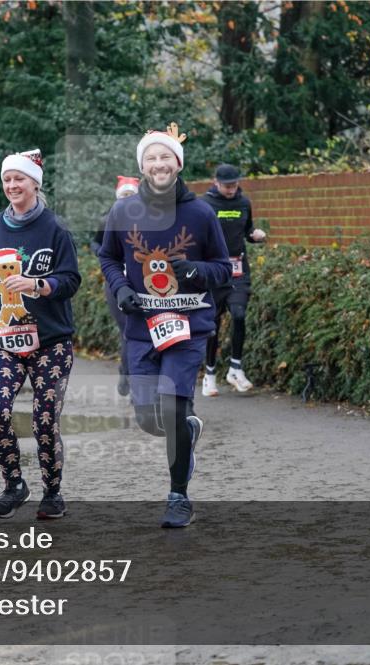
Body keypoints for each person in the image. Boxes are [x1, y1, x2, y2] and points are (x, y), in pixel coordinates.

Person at [99, 123, 231, 528]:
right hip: (142, 329)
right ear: (143, 166)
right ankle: (185, 429)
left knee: (172, 407)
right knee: (147, 416)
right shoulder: (122, 211)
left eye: (165, 157)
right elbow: (108, 258)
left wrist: (193, 270)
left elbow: (224, 269)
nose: (159, 164)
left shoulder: (201, 213)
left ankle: (179, 497)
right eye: (151, 157)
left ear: (177, 163)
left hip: (187, 328)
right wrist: (121, 288)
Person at [0, 149, 80, 520]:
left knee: (45, 420)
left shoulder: (56, 228)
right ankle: (14, 483)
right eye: (7, 180)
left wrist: (39, 284)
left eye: (19, 179)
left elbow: (71, 280)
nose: (12, 185)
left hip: (51, 341)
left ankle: (52, 492)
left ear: (35, 183)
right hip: (5, 336)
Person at [199, 164, 266, 396]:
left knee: (239, 314)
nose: (231, 189)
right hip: (214, 271)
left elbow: (247, 231)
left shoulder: (243, 203)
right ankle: (209, 375)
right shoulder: (205, 205)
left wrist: (255, 236)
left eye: (235, 184)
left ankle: (235, 369)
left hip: (238, 270)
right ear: (216, 182)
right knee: (212, 324)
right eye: (227, 185)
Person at [91, 176, 140, 396]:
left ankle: (135, 378)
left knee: (139, 333)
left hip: (141, 283)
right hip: (116, 284)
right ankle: (127, 374)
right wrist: (104, 256)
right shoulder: (107, 219)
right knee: (128, 332)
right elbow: (96, 242)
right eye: (124, 196)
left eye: (132, 195)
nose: (127, 200)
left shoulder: (148, 219)